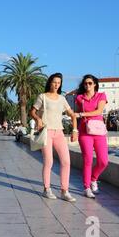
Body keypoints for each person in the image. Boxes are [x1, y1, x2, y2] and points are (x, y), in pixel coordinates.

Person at [30, 73, 78, 202]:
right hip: (46, 132)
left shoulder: (62, 99)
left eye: (59, 82)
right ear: (50, 83)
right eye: (54, 82)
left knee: (66, 161)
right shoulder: (42, 97)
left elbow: (72, 115)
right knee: (49, 161)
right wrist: (38, 119)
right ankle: (47, 189)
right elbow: (32, 111)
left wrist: (74, 130)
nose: (56, 84)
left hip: (59, 133)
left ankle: (64, 191)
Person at [74, 75, 109, 199]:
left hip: (99, 131)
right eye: (85, 84)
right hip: (84, 132)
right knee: (88, 159)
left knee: (103, 161)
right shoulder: (79, 98)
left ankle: (94, 179)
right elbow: (75, 114)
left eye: (90, 83)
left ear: (95, 84)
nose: (87, 85)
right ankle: (87, 187)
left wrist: (82, 114)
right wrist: (74, 129)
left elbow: (99, 111)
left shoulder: (101, 96)